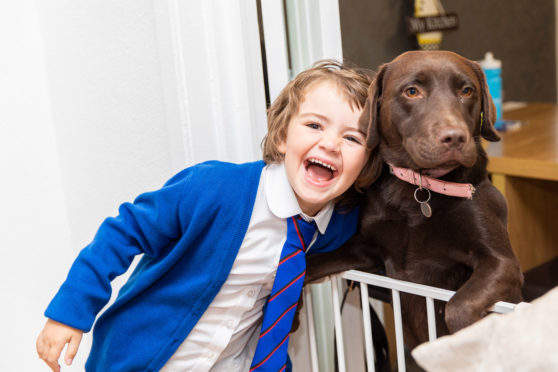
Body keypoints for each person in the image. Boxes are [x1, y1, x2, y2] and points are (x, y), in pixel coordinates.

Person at [36, 60, 377, 371]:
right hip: (142, 360)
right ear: (283, 136)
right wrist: (70, 314)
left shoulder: (337, 224)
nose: (331, 144)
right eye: (315, 125)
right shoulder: (214, 188)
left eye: (352, 137)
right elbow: (123, 232)